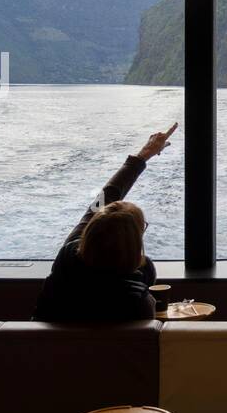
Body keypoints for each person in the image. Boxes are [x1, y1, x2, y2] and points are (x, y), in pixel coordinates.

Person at [33, 123, 175, 322]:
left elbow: (106, 196)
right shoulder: (138, 304)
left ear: (90, 231)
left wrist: (143, 155)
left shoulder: (69, 257)